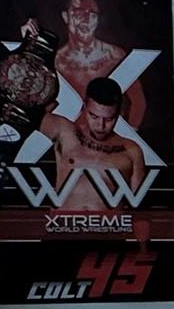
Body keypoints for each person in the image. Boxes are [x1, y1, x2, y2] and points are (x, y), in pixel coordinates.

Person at [21, 0, 147, 126]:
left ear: (97, 20)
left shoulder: (115, 55)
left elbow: (138, 102)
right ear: (66, 17)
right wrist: (26, 47)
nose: (86, 18)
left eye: (92, 13)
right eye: (79, 12)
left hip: (104, 142)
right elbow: (34, 104)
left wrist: (130, 136)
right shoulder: (54, 61)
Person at [39, 77, 143, 212]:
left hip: (109, 229)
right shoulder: (64, 132)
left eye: (109, 119)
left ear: (119, 113)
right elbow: (24, 116)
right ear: (84, 107)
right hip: (64, 227)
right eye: (94, 116)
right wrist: (48, 102)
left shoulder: (131, 151)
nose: (101, 126)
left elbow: (138, 209)